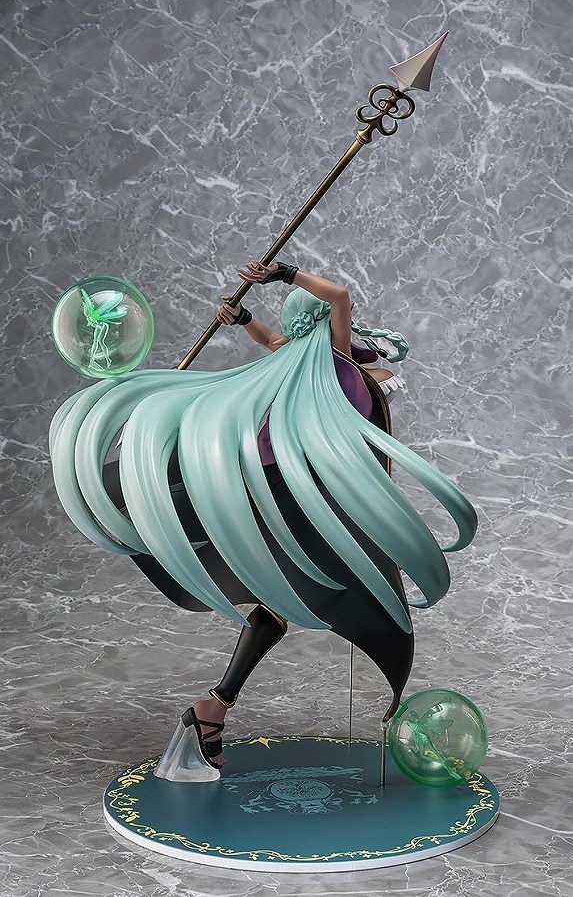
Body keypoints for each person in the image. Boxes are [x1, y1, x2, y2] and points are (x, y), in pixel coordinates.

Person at [49, 259, 477, 781]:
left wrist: (247, 316)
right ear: (323, 322)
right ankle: (211, 709)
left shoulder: (314, 362)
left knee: (278, 610)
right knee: (312, 600)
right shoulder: (328, 358)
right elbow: (338, 297)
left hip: (308, 501)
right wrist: (284, 275)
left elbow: (277, 336)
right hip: (293, 504)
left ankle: (212, 709)